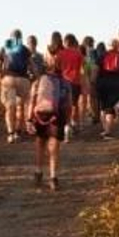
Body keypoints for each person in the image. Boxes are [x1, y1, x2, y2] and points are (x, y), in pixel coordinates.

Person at [30, 47, 72, 190]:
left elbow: (32, 101)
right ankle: (53, 177)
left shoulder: (38, 81)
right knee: (54, 148)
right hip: (57, 116)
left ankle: (38, 172)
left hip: (39, 115)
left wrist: (29, 119)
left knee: (40, 144)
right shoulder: (65, 83)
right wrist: (68, 122)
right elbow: (68, 104)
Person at [0, 27, 34, 143]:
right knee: (21, 106)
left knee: (9, 107)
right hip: (23, 80)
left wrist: (0, 77)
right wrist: (34, 77)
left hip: (8, 79)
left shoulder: (5, 47)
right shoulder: (24, 49)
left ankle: (10, 133)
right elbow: (31, 65)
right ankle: (19, 132)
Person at [95, 36, 119, 139]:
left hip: (102, 84)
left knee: (103, 107)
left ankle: (105, 129)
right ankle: (107, 131)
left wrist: (94, 81)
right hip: (117, 84)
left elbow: (96, 70)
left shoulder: (102, 56)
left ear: (108, 46)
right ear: (118, 46)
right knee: (110, 108)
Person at [55, 34, 86, 141]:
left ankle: (65, 126)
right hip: (75, 82)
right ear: (73, 42)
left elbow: (57, 68)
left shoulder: (60, 54)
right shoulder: (79, 54)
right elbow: (84, 68)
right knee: (74, 105)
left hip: (63, 82)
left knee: (63, 105)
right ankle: (73, 124)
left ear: (65, 42)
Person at [78, 35, 99, 127]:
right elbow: (93, 65)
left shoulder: (82, 52)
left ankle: (84, 117)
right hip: (89, 77)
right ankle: (94, 116)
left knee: (82, 99)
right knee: (92, 98)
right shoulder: (92, 52)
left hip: (82, 77)